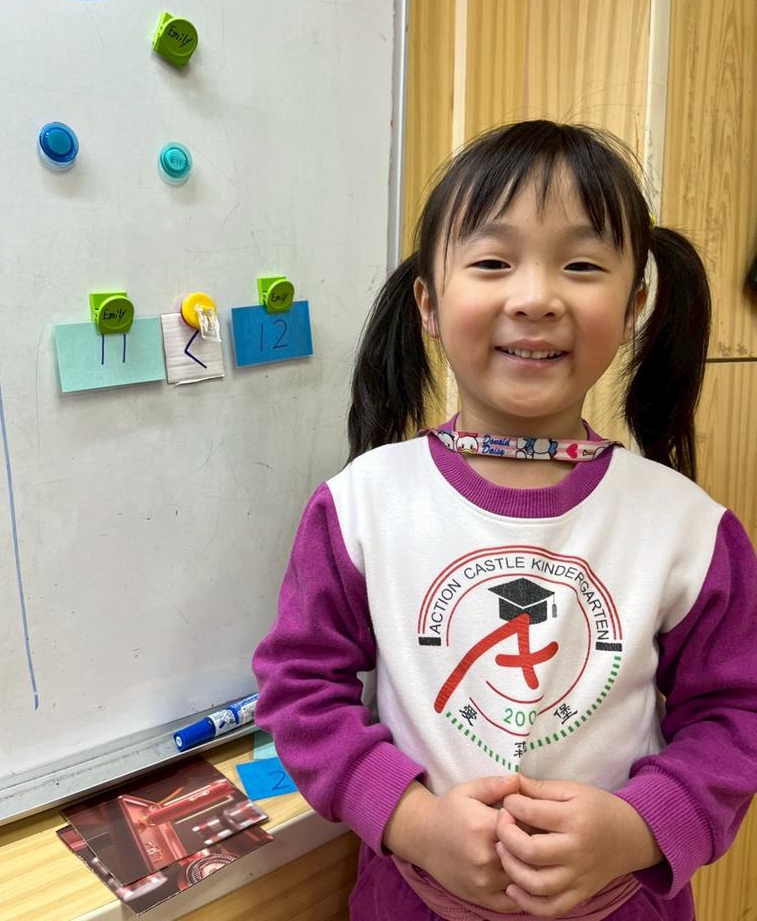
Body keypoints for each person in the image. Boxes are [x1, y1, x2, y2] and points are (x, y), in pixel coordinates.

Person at [252, 121, 757, 920]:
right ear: (427, 303)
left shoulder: (687, 529)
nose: (534, 297)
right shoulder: (360, 506)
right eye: (492, 262)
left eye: (581, 266)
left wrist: (635, 828)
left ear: (633, 306)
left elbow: (738, 716)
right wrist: (412, 821)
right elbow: (299, 691)